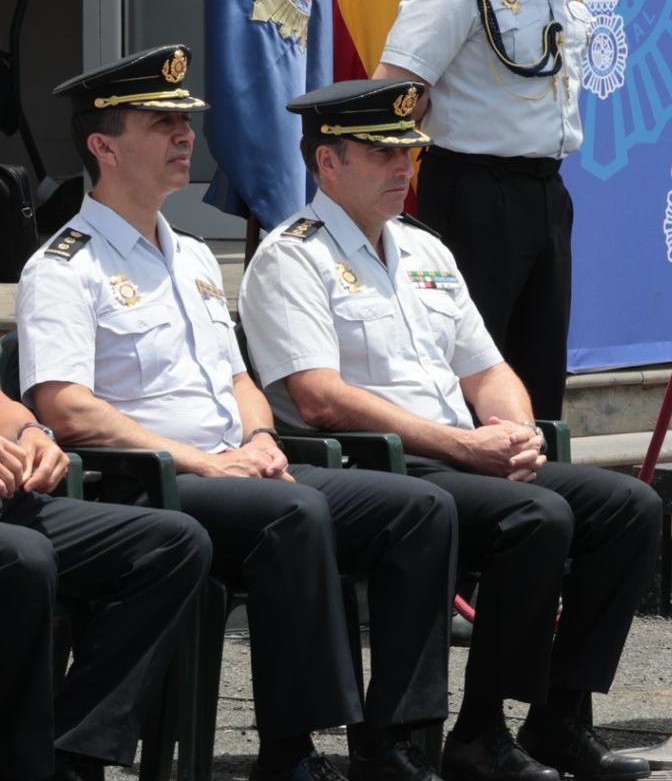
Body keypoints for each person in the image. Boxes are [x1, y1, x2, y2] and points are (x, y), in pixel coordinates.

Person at [17, 46, 459, 781]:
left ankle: (393, 742)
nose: (185, 135)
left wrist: (258, 434)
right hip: (144, 482)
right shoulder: (67, 264)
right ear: (103, 147)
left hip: (236, 465)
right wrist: (202, 460)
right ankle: (289, 751)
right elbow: (65, 409)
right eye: (161, 123)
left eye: (185, 121)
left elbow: (238, 378)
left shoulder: (190, 255)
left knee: (419, 508)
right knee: (292, 518)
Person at [238, 79, 660, 781]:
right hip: (379, 467)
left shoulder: (424, 249)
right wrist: (465, 445)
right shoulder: (293, 256)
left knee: (629, 509)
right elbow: (319, 400)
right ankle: (468, 731)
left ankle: (557, 717)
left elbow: (487, 368)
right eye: (382, 155)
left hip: (461, 455)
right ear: (328, 164)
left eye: (409, 153)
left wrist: (516, 432)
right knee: (536, 515)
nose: (405, 170)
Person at [373, 0, 633, 423]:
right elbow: (396, 96)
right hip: (473, 197)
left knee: (539, 383)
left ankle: (537, 508)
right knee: (474, 385)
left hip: (545, 195)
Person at [0, 392, 210, 781]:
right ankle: (21, 768)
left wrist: (33, 432)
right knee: (25, 558)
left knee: (172, 543)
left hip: (10, 502)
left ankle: (74, 754)